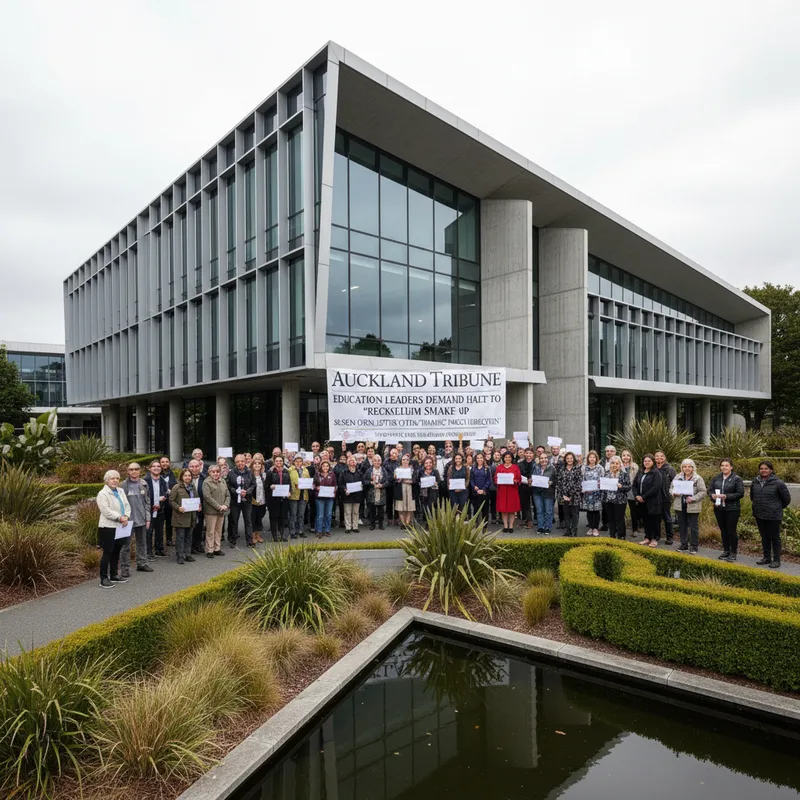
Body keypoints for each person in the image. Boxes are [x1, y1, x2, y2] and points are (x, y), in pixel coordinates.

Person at [751, 460, 791, 568]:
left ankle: (776, 560)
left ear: (771, 470)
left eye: (766, 468)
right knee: (764, 537)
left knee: (775, 538)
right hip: (759, 514)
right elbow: (752, 497)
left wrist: (776, 508)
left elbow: (786, 499)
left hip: (773, 515)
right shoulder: (755, 481)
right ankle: (767, 557)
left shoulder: (778, 483)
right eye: (761, 469)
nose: (763, 470)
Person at [96, 470, 131, 588]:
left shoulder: (120, 491)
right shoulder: (102, 494)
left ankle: (114, 575)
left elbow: (127, 505)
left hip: (121, 525)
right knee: (107, 553)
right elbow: (106, 511)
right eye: (112, 478)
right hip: (108, 527)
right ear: (106, 480)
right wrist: (119, 518)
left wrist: (126, 516)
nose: (115, 480)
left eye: (117, 478)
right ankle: (103, 578)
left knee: (117, 551)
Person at [708, 458, 745, 562]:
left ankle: (733, 552)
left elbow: (740, 493)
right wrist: (712, 496)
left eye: (726, 465)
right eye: (722, 465)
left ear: (731, 467)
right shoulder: (716, 478)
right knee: (723, 530)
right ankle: (726, 550)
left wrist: (726, 496)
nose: (724, 467)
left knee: (731, 531)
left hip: (732, 509)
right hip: (719, 508)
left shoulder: (737, 479)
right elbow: (709, 490)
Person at [120, 463, 153, 575]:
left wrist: (148, 518)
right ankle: (125, 569)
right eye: (131, 469)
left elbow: (148, 502)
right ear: (128, 471)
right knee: (125, 546)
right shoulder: (123, 485)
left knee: (142, 543)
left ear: (140, 471)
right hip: (127, 521)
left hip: (141, 519)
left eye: (136, 469)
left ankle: (142, 564)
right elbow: (119, 504)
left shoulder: (144, 484)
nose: (134, 471)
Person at [670, 458, 707, 554]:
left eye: (689, 467)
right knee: (682, 526)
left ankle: (694, 546)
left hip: (693, 506)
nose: (687, 469)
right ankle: (684, 545)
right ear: (682, 467)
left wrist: (694, 498)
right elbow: (671, 488)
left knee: (693, 527)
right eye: (684, 466)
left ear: (693, 468)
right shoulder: (678, 477)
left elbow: (703, 491)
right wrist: (674, 493)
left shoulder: (698, 478)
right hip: (680, 505)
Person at [169, 468, 198, 564]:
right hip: (180, 517)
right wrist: (178, 507)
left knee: (189, 537)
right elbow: (171, 501)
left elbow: (197, 499)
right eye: (185, 475)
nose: (187, 477)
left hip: (191, 517)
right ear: (182, 476)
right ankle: (180, 556)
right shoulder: (176, 487)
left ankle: (188, 554)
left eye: (189, 475)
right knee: (180, 537)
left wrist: (199, 506)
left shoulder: (193, 487)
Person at [635, 454, 663, 547]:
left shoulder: (656, 473)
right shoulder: (640, 472)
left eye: (649, 461)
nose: (647, 463)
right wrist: (637, 496)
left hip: (653, 501)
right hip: (641, 502)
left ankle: (655, 538)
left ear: (653, 462)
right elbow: (634, 485)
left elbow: (656, 487)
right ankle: (647, 537)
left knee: (654, 520)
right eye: (645, 461)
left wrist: (644, 496)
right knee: (645, 520)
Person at [201, 463, 229, 557]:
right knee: (210, 531)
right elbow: (207, 497)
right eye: (213, 472)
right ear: (209, 473)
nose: (216, 473)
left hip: (221, 511)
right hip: (211, 512)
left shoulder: (223, 481)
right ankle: (210, 550)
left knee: (218, 531)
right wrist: (219, 506)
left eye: (217, 471)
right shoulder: (206, 482)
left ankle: (217, 548)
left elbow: (227, 494)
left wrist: (225, 505)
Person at [227, 454, 254, 548]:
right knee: (234, 520)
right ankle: (233, 540)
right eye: (238, 461)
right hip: (235, 501)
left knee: (248, 521)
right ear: (235, 463)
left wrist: (247, 492)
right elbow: (229, 486)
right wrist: (236, 491)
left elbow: (253, 485)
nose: (240, 463)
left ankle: (250, 541)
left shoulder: (250, 472)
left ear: (245, 461)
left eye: (242, 461)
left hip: (247, 500)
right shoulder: (231, 473)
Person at [603, 455, 631, 540]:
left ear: (620, 464)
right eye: (612, 463)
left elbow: (629, 486)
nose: (614, 465)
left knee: (619, 518)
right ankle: (612, 534)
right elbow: (603, 487)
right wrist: (600, 485)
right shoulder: (606, 474)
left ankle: (621, 535)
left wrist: (621, 486)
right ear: (609, 464)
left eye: (617, 463)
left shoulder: (624, 474)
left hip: (620, 500)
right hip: (608, 500)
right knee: (610, 518)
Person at [556, 451, 582, 537]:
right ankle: (568, 531)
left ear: (573, 459)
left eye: (571, 458)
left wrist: (571, 495)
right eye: (567, 458)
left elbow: (579, 483)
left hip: (575, 496)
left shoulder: (578, 469)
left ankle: (574, 531)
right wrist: (563, 495)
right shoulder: (562, 469)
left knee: (574, 514)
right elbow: (559, 482)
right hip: (564, 497)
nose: (569, 460)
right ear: (565, 459)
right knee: (566, 514)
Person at [146, 460, 168, 558]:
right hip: (149, 510)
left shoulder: (163, 480)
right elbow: (144, 496)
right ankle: (148, 552)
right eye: (154, 466)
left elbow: (165, 492)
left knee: (159, 531)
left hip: (160, 510)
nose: (156, 468)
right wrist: (152, 504)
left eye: (158, 466)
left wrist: (163, 498)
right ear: (150, 468)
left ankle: (159, 549)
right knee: (149, 532)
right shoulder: (145, 481)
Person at [495, 451, 521, 532]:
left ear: (512, 458)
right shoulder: (499, 467)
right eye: (506, 457)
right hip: (502, 490)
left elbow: (519, 479)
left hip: (512, 490)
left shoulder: (515, 467)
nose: (507, 459)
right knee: (503, 509)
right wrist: (498, 481)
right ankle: (505, 526)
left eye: (509, 457)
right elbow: (495, 478)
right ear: (503, 458)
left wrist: (515, 481)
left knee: (512, 509)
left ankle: (511, 526)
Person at [654, 450, 677, 546]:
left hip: (665, 497)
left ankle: (669, 537)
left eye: (661, 456)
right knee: (655, 518)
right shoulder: (653, 468)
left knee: (667, 518)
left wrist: (672, 493)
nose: (659, 458)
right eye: (657, 456)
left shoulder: (670, 469)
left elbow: (675, 483)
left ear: (665, 457)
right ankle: (656, 536)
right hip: (654, 497)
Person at [531, 451, 556, 534]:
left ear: (547, 459)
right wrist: (531, 480)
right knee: (539, 510)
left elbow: (557, 480)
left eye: (545, 458)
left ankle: (547, 527)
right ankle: (540, 527)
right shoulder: (535, 467)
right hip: (537, 492)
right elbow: (532, 477)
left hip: (548, 492)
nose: (543, 460)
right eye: (541, 458)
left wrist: (552, 482)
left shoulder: (552, 468)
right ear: (539, 459)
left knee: (548, 510)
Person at [580, 450, 605, 537]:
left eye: (594, 457)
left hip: (597, 493)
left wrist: (599, 484)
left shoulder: (600, 468)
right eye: (590, 457)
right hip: (587, 493)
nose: (592, 459)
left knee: (596, 511)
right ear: (588, 458)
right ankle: (591, 527)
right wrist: (583, 488)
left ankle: (595, 528)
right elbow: (582, 479)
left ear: (596, 458)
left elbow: (603, 480)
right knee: (589, 511)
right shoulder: (584, 468)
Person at [266, 455, 290, 542]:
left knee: (282, 517)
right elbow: (266, 485)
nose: (279, 463)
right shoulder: (270, 472)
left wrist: (289, 492)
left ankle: (282, 534)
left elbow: (289, 484)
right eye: (277, 461)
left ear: (283, 462)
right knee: (273, 517)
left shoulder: (287, 472)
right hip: (273, 499)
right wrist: (270, 486)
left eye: (280, 461)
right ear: (274, 462)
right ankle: (274, 536)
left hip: (284, 498)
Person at [288, 454, 310, 539]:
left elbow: (308, 481)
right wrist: (294, 487)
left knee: (301, 514)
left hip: (303, 495)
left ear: (302, 462)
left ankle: (300, 531)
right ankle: (292, 532)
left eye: (300, 461)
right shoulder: (290, 470)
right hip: (294, 495)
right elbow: (288, 482)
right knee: (293, 514)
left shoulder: (305, 470)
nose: (298, 463)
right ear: (294, 462)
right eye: (296, 461)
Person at [340, 455, 363, 533]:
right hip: (347, 495)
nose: (351, 462)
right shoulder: (343, 472)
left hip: (357, 495)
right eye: (350, 460)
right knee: (347, 512)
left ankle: (355, 526)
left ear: (356, 462)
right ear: (347, 462)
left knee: (356, 512)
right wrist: (345, 489)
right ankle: (348, 527)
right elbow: (340, 483)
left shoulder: (359, 472)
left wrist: (361, 486)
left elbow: (362, 482)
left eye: (353, 460)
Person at [187, 459, 207, 554]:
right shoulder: (185, 477)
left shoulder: (205, 478)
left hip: (200, 507)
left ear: (200, 467)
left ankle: (198, 545)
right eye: (192, 466)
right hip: (187, 508)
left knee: (199, 527)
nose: (194, 469)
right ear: (188, 467)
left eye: (196, 466)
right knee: (189, 528)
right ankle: (189, 546)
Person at [365, 454, 389, 530]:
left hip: (381, 493)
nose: (377, 462)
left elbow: (388, 482)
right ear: (372, 461)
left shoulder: (384, 470)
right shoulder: (369, 471)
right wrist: (371, 483)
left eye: (379, 460)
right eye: (375, 460)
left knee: (381, 510)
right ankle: (372, 524)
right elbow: (364, 481)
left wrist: (382, 485)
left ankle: (381, 524)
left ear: (381, 461)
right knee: (372, 510)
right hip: (372, 493)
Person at [313, 459, 337, 537]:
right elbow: (313, 485)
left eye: (327, 466)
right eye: (323, 466)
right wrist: (316, 487)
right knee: (320, 515)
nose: (325, 467)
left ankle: (327, 530)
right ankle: (319, 531)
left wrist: (334, 492)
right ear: (321, 467)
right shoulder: (317, 474)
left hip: (329, 498)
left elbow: (335, 485)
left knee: (329, 514)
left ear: (329, 467)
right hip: (320, 498)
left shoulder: (332, 474)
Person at [393, 453, 417, 527]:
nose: (405, 461)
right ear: (401, 461)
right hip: (400, 490)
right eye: (403, 459)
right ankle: (403, 523)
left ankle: (407, 522)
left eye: (407, 459)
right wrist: (398, 480)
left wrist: (410, 481)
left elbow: (415, 480)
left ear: (409, 461)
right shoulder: (397, 470)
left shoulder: (412, 470)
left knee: (409, 507)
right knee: (401, 507)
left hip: (410, 490)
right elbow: (393, 481)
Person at [159, 456, 178, 547]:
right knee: (160, 522)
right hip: (159, 501)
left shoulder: (171, 473)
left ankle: (169, 539)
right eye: (163, 462)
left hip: (169, 501)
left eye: (167, 462)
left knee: (169, 521)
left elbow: (175, 484)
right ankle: (159, 541)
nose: (165, 463)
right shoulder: (157, 473)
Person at [470, 451, 493, 525]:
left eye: (481, 458)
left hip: (484, 492)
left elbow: (488, 480)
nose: (479, 459)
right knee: (476, 509)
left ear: (483, 459)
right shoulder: (473, 468)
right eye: (478, 458)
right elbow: (471, 479)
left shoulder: (487, 468)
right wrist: (474, 487)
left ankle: (484, 526)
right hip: (475, 492)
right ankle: (476, 525)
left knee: (485, 509)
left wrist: (483, 489)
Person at [620, 450, 639, 535]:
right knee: (621, 511)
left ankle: (635, 529)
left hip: (631, 491)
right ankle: (621, 529)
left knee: (633, 511)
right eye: (624, 455)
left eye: (628, 455)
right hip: (621, 491)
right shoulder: (618, 465)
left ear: (631, 457)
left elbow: (637, 480)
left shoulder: (635, 466)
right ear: (621, 457)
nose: (626, 457)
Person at [250, 458, 268, 544]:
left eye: (259, 464)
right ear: (252, 465)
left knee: (259, 518)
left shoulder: (263, 475)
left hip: (262, 501)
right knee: (253, 518)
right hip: (253, 501)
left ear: (261, 466)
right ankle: (253, 536)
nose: (257, 465)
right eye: (255, 464)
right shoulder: (250, 475)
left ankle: (258, 535)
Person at [517, 448, 535, 529]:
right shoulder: (520, 464)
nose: (528, 455)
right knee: (524, 504)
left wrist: (531, 480)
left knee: (534, 504)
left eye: (530, 453)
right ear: (524, 454)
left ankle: (532, 521)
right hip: (523, 487)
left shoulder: (536, 464)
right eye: (527, 453)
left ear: (533, 454)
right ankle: (528, 520)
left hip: (534, 486)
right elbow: (518, 474)